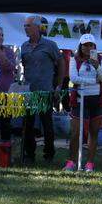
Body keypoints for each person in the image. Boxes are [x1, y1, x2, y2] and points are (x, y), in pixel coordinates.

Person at [19, 16, 64, 164]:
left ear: (38, 27)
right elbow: (24, 65)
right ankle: (29, 155)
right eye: (25, 26)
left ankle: (49, 154)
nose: (26, 28)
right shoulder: (24, 46)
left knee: (46, 124)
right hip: (29, 91)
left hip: (46, 91)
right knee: (28, 124)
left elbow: (61, 64)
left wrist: (58, 86)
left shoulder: (50, 45)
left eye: (28, 26)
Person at [64, 34, 102, 173]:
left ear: (94, 46)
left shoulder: (101, 59)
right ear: (80, 46)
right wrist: (92, 81)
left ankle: (90, 163)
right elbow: (74, 78)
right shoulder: (75, 59)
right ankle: (72, 162)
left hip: (96, 100)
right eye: (85, 45)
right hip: (79, 99)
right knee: (75, 133)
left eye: (90, 45)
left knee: (94, 132)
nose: (88, 48)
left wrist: (97, 67)